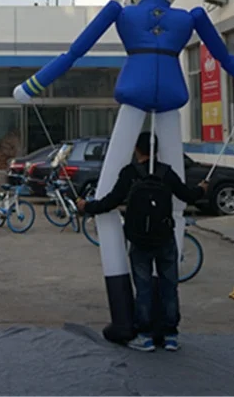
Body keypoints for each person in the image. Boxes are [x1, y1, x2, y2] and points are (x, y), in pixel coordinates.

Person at [76, 132, 208, 353]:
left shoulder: (130, 173)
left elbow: (111, 201)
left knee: (143, 288)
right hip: (165, 238)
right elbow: (188, 195)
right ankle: (171, 336)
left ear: (137, 149)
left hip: (139, 240)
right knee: (169, 287)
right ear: (157, 149)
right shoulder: (166, 172)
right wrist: (202, 188)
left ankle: (145, 337)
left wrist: (86, 206)